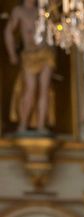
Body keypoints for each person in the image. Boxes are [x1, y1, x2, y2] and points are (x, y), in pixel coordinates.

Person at [3, 0, 56, 133]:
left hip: (45, 53)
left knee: (44, 90)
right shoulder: (19, 11)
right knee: (30, 90)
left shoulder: (43, 10)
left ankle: (41, 125)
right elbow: (8, 32)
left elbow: (55, 21)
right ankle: (23, 124)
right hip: (29, 55)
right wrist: (12, 54)